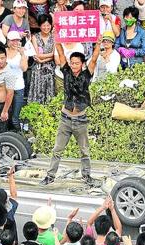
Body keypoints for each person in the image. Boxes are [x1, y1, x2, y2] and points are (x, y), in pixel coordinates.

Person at [39, 36, 101, 186]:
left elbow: (93, 59)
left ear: (81, 64)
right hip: (65, 118)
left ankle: (87, 176)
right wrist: (57, 38)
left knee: (84, 151)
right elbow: (60, 54)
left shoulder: (87, 75)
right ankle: (50, 176)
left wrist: (98, 44)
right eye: (72, 63)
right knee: (57, 150)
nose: (73, 65)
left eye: (76, 63)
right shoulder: (66, 71)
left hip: (80, 119)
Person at [0, 31, 27, 132]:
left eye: (17, 40)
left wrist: (23, 54)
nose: (15, 42)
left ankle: (20, 137)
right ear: (8, 41)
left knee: (15, 117)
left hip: (18, 87)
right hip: (4, 87)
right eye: (13, 40)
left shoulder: (22, 52)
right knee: (5, 114)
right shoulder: (3, 51)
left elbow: (24, 68)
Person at [27, 14, 55, 105]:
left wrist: (43, 60)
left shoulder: (54, 37)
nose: (46, 28)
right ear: (39, 26)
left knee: (50, 92)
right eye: (44, 25)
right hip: (38, 69)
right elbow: (37, 54)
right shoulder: (35, 37)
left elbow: (55, 54)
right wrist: (50, 55)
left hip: (51, 69)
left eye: (48, 25)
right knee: (38, 91)